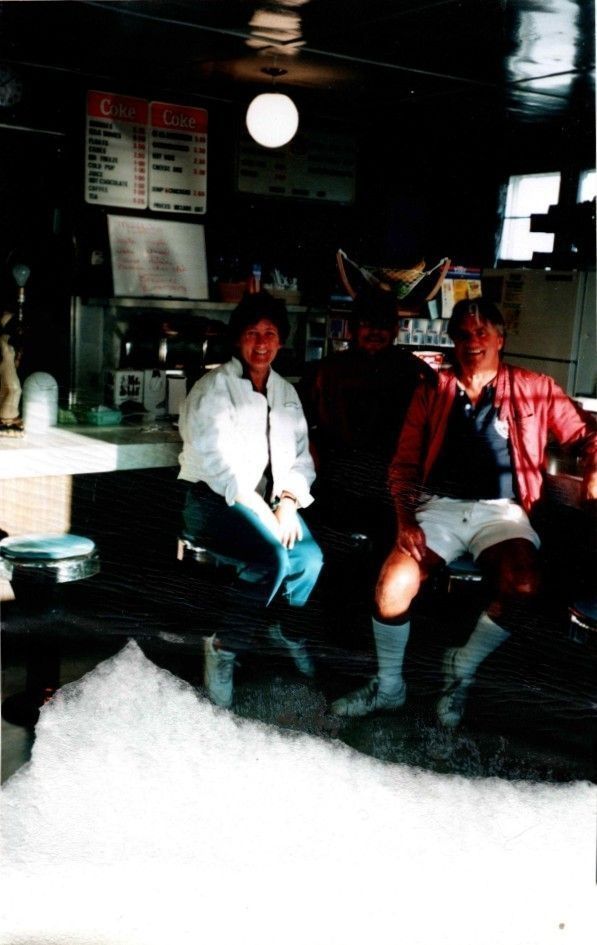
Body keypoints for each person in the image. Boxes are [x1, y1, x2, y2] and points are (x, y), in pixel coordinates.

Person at [331, 297, 597, 726]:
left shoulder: (534, 386)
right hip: (438, 509)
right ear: (453, 342)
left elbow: (587, 435)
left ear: (499, 339)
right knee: (392, 586)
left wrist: (594, 472)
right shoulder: (432, 389)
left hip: (502, 513)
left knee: (524, 583)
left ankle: (463, 666)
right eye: (463, 335)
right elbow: (403, 465)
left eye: (481, 333)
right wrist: (406, 520)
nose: (472, 342)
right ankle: (389, 686)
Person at [178, 291, 323, 708]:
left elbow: (302, 457)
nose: (261, 343)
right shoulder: (213, 389)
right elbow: (218, 465)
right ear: (238, 338)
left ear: (281, 340)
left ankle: (284, 631)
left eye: (270, 333)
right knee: (270, 558)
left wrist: (289, 501)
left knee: (309, 559)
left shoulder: (285, 392)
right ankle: (223, 648)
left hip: (271, 505)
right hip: (214, 503)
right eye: (252, 333)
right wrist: (264, 511)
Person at [302, 286, 434, 565]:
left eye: (383, 324)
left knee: (385, 556)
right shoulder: (326, 371)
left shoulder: (416, 373)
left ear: (396, 329)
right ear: (352, 328)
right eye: (366, 324)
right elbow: (301, 429)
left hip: (392, 484)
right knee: (334, 557)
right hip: (334, 481)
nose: (375, 331)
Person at [0, 310, 24, 436]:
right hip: (4, 362)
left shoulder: (7, 340)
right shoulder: (3, 340)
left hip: (7, 362)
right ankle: (6, 420)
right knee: (14, 390)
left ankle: (7, 419)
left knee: (9, 391)